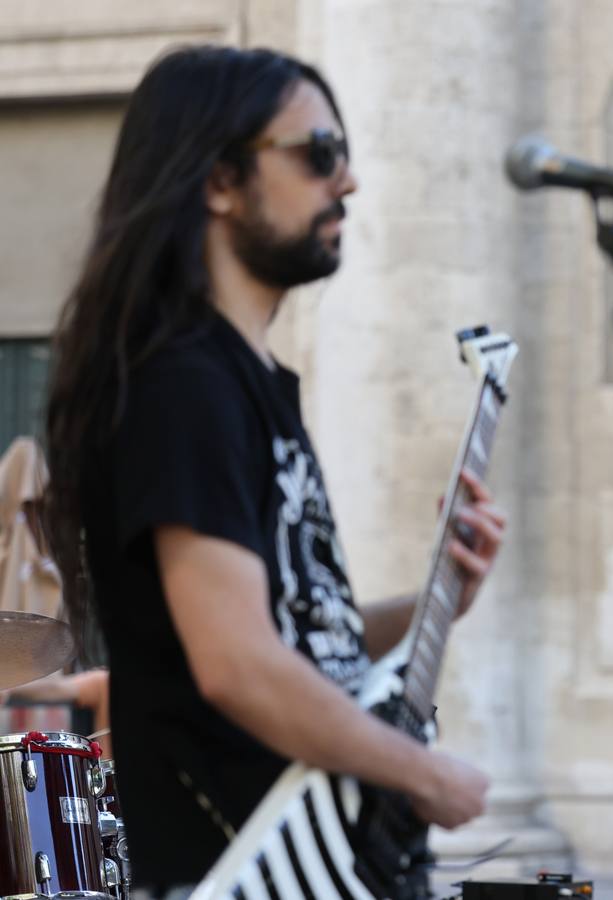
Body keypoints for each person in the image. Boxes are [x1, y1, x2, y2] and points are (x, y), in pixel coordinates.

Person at [42, 46, 504, 893]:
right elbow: (238, 665)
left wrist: (437, 599)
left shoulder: (246, 383)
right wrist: (420, 770)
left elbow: (297, 635)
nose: (348, 182)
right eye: (319, 154)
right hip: (233, 866)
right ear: (221, 182)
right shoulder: (183, 383)